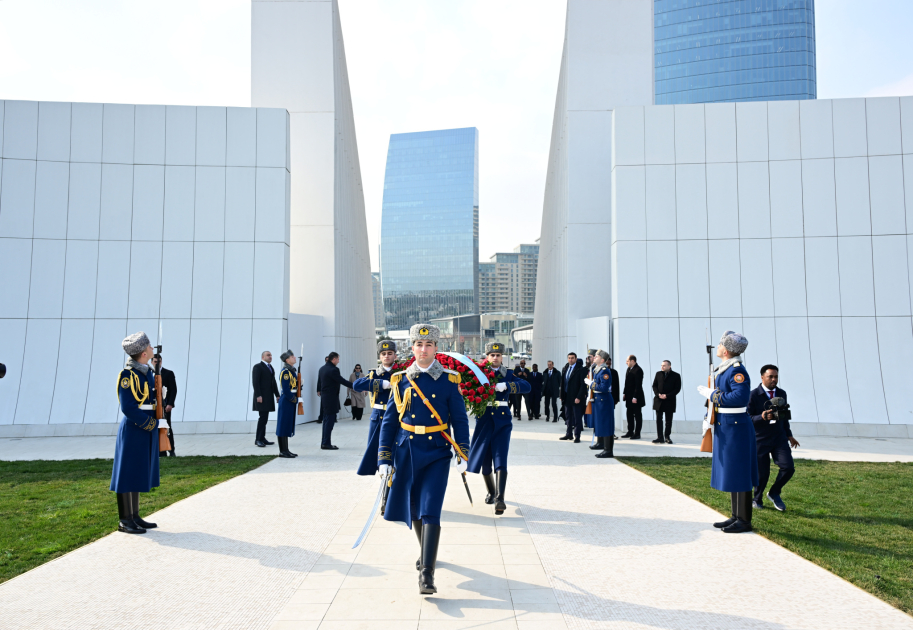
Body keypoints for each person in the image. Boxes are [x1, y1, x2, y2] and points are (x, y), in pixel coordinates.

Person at [377, 324, 470, 595]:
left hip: (437, 452)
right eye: (418, 344)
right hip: (407, 451)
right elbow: (389, 422)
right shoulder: (401, 379)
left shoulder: (449, 380)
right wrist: (384, 457)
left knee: (431, 508)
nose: (423, 349)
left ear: (436, 348)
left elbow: (460, 420)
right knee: (415, 507)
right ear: (412, 347)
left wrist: (463, 451)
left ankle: (426, 574)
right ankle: (426, 551)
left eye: (428, 345)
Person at [698, 331, 758, 534]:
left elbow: (740, 398)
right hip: (727, 424)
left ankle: (744, 520)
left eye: (720, 344)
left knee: (740, 472)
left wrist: (713, 395)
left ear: (726, 350)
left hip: (736, 426)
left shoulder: (736, 370)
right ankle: (736, 515)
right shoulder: (725, 369)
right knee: (733, 471)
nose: (717, 347)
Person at [468, 341, 531, 515]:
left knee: (500, 457)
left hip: (502, 421)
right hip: (484, 419)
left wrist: (508, 386)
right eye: (492, 355)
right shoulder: (479, 374)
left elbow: (527, 386)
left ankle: (500, 498)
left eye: (498, 355)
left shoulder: (508, 374)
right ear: (487, 357)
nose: (495, 358)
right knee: (485, 461)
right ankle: (491, 491)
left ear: (502, 357)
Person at [110, 331, 160, 535]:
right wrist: (149, 424)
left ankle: (135, 515)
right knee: (127, 473)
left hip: (147, 426)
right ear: (143, 353)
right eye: (149, 346)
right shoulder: (127, 376)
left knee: (139, 470)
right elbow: (128, 408)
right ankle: (125, 519)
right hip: (134, 427)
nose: (152, 348)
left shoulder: (147, 372)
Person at [748, 364, 799, 512]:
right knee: (762, 473)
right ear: (762, 377)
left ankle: (774, 492)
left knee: (788, 467)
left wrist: (789, 435)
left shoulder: (782, 394)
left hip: (779, 438)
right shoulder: (752, 395)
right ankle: (757, 499)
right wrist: (762, 416)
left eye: (776, 376)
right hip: (760, 439)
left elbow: (784, 417)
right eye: (770, 376)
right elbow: (747, 417)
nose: (774, 379)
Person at [352, 340, 398, 477]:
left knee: (395, 448)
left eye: (390, 353)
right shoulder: (374, 373)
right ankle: (382, 475)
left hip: (396, 415)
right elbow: (357, 385)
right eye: (383, 354)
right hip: (379, 415)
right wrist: (381, 383)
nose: (386, 356)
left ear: (395, 356)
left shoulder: (401, 372)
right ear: (379, 357)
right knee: (376, 449)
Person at [317, 352, 354, 450]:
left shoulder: (322, 368)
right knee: (329, 421)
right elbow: (342, 380)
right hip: (331, 398)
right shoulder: (333, 370)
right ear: (333, 359)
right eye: (338, 359)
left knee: (326, 421)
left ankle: (325, 442)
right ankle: (326, 443)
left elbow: (320, 383)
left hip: (325, 398)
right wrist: (355, 386)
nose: (338, 361)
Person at [586, 350, 616, 458]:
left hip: (604, 400)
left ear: (602, 360)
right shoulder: (597, 369)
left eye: (597, 356)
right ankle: (601, 443)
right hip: (599, 400)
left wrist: (592, 384)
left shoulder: (604, 371)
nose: (594, 357)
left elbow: (603, 388)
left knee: (606, 425)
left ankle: (608, 450)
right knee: (599, 423)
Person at [252, 351, 279, 447]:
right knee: (262, 418)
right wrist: (258, 396)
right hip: (261, 397)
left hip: (268, 396)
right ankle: (258, 439)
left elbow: (273, 382)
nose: (270, 357)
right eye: (268, 355)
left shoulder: (270, 367)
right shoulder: (258, 367)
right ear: (263, 357)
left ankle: (262, 438)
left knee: (265, 418)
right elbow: (255, 382)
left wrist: (277, 394)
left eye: (271, 355)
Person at [152, 353, 177, 457]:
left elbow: (173, 390)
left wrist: (170, 404)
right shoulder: (148, 373)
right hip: (152, 406)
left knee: (167, 427)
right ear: (151, 362)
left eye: (159, 362)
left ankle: (171, 449)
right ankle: (159, 451)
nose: (157, 364)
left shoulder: (168, 373)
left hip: (164, 406)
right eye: (155, 362)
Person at [651, 360, 682, 444]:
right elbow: (654, 385)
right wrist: (658, 394)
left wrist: (667, 395)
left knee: (668, 420)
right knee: (658, 419)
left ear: (669, 366)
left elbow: (677, 389)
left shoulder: (676, 375)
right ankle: (660, 437)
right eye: (661, 365)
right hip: (659, 400)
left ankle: (667, 437)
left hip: (669, 400)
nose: (662, 367)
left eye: (664, 365)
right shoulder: (658, 374)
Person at [276, 350, 299, 458]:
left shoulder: (292, 371)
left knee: (287, 425)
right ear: (287, 360)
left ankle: (286, 449)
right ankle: (282, 451)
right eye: (292, 356)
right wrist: (293, 399)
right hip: (287, 400)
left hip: (290, 399)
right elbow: (285, 389)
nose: (295, 358)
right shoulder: (286, 372)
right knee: (283, 425)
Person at [559, 352, 587, 443]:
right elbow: (562, 383)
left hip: (576, 398)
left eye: (572, 358)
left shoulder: (581, 369)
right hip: (567, 397)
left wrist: (579, 397)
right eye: (569, 358)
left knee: (577, 417)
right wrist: (561, 395)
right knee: (568, 417)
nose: (570, 359)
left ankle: (577, 436)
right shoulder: (565, 368)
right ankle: (569, 434)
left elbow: (583, 385)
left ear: (576, 359)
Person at [621, 355, 645, 439]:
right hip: (628, 396)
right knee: (629, 414)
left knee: (637, 415)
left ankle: (637, 433)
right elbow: (626, 383)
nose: (626, 363)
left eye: (627, 361)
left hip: (636, 397)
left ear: (632, 361)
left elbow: (638, 385)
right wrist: (624, 393)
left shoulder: (638, 370)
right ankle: (630, 431)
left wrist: (635, 397)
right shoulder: (629, 369)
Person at [607, 356, 621, 438]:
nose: (608, 365)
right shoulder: (600, 371)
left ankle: (612, 433)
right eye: (607, 363)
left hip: (611, 397)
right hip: (603, 397)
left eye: (609, 363)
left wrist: (616, 399)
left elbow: (616, 386)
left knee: (611, 416)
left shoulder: (614, 372)